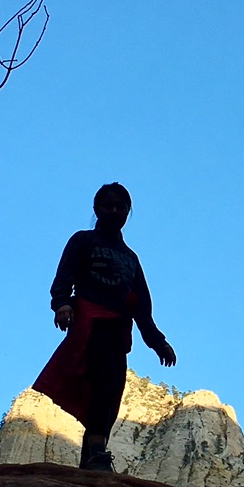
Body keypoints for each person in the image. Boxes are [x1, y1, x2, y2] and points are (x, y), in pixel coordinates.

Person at [33, 183, 176, 471]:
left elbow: (142, 308)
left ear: (128, 212)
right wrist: (62, 304)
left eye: (120, 206)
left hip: (118, 332)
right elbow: (65, 277)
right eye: (108, 205)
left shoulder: (131, 259)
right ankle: (96, 452)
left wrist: (157, 341)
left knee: (112, 392)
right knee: (100, 384)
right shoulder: (83, 241)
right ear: (97, 209)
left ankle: (93, 455)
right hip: (91, 322)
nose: (114, 210)